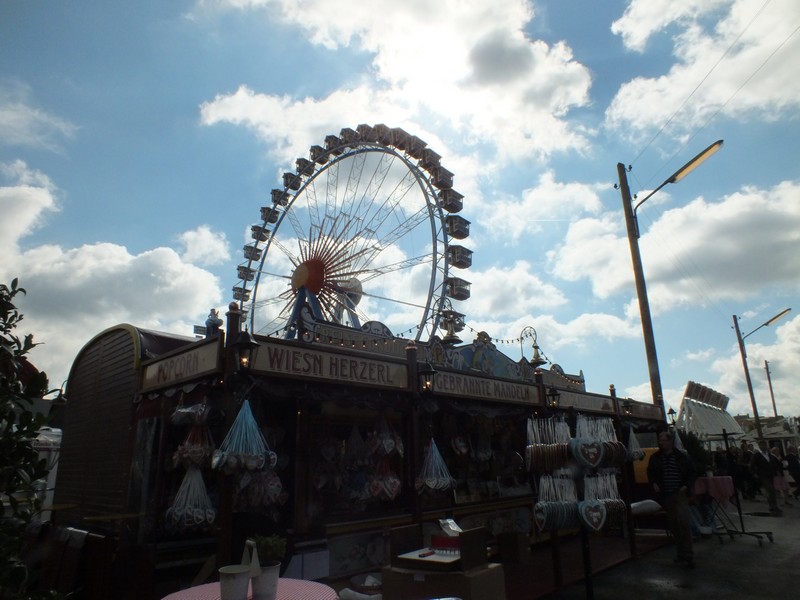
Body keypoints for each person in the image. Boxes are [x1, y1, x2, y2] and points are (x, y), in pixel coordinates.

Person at [647, 430, 697, 568]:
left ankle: (688, 553)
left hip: (679, 493)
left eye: (663, 440)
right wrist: (654, 482)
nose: (661, 443)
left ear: (670, 441)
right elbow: (650, 471)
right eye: (660, 440)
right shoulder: (656, 457)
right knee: (674, 523)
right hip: (667, 493)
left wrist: (686, 486)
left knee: (682, 521)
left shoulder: (681, 457)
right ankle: (681, 552)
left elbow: (692, 472)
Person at [751, 439, 782, 515]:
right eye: (761, 446)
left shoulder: (769, 455)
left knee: (772, 490)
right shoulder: (757, 455)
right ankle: (772, 506)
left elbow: (774, 464)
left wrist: (777, 471)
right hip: (763, 475)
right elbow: (752, 465)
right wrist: (754, 473)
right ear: (759, 447)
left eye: (764, 445)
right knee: (770, 489)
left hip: (771, 475)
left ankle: (773, 506)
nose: (763, 447)